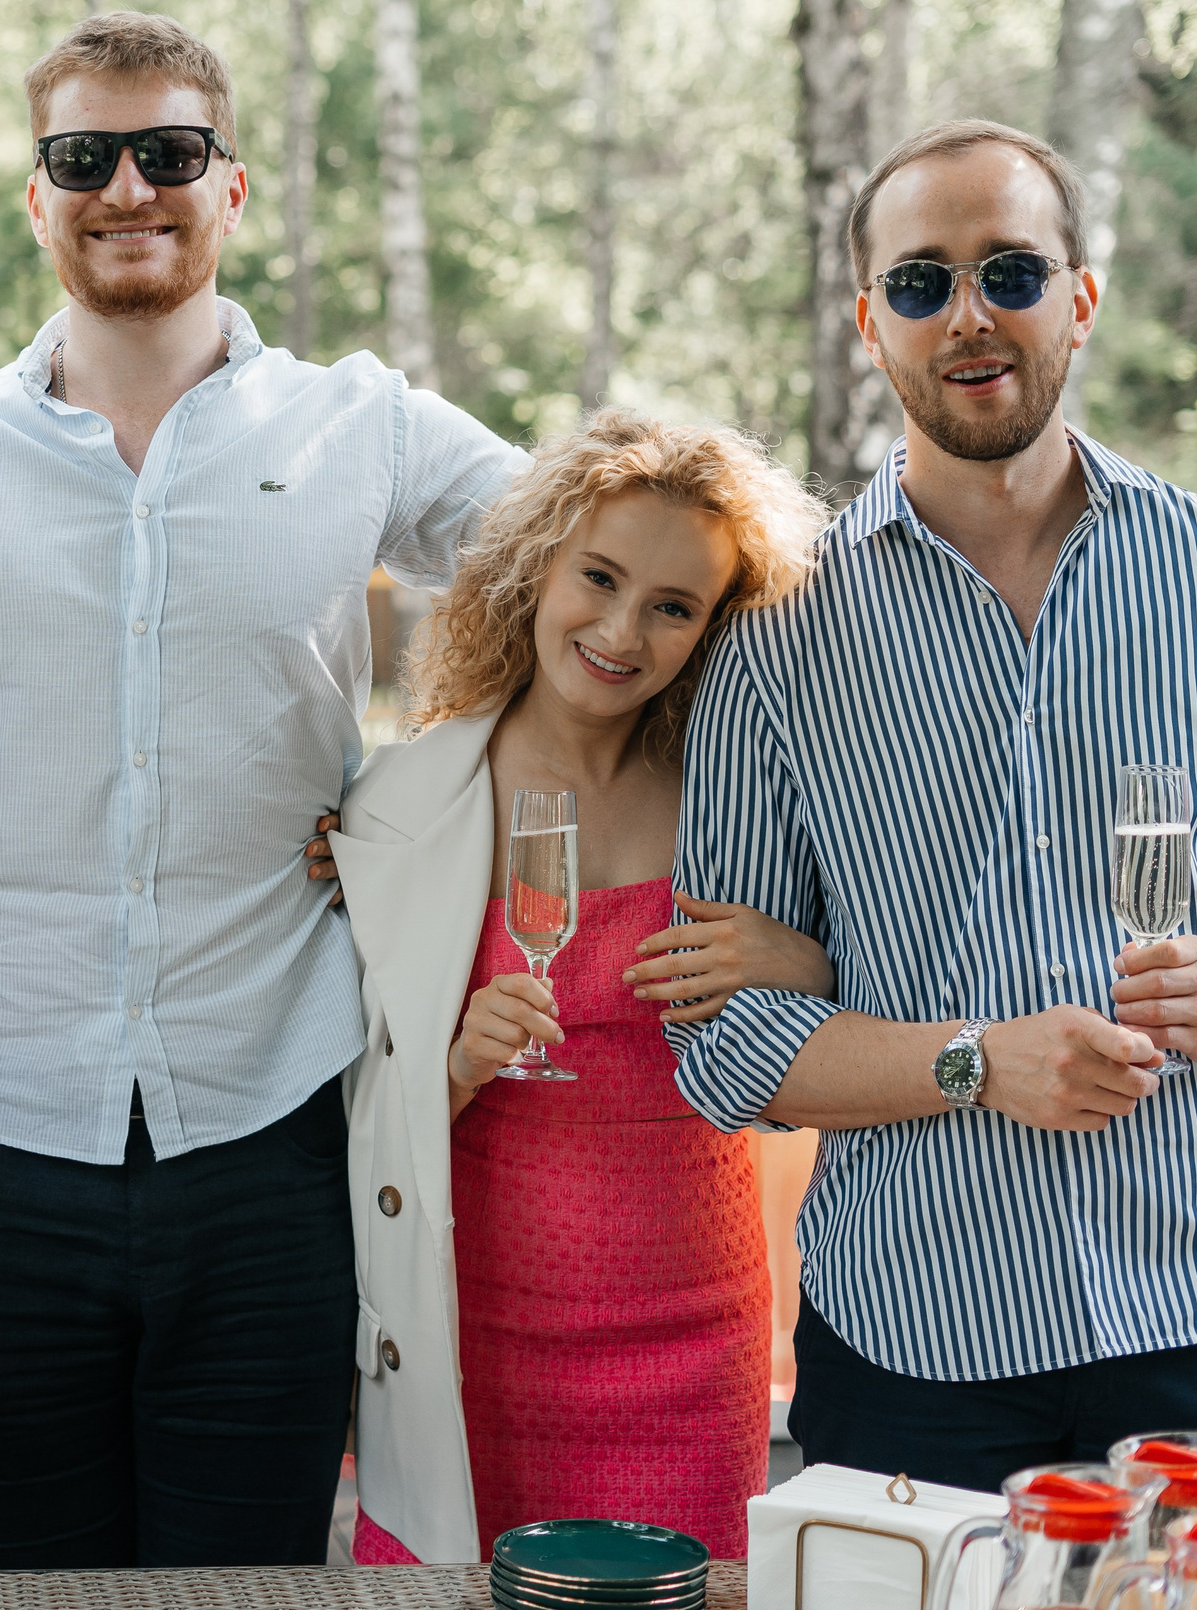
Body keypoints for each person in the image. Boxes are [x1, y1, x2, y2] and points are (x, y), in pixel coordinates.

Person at [0, 10, 528, 1568]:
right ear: (34, 199)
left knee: (243, 1590)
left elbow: (600, 566)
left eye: (169, 153)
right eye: (82, 158)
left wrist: (416, 806)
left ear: (231, 188)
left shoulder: (358, 421)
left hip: (272, 1127)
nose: (128, 188)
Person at [670, 119, 1197, 1505]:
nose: (969, 314)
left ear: (1081, 296)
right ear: (873, 322)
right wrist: (975, 1059)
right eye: (922, 283)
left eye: (1011, 270)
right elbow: (725, 1039)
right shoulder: (781, 637)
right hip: (919, 1335)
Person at [334, 411, 830, 1566]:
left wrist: (797, 965)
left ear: (716, 628)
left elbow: (842, 1027)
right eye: (596, 577)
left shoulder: (739, 802)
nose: (620, 630)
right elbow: (335, 1121)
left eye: (673, 606)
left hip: (692, 1339)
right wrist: (457, 1063)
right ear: (532, 569)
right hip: (470, 1341)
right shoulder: (398, 807)